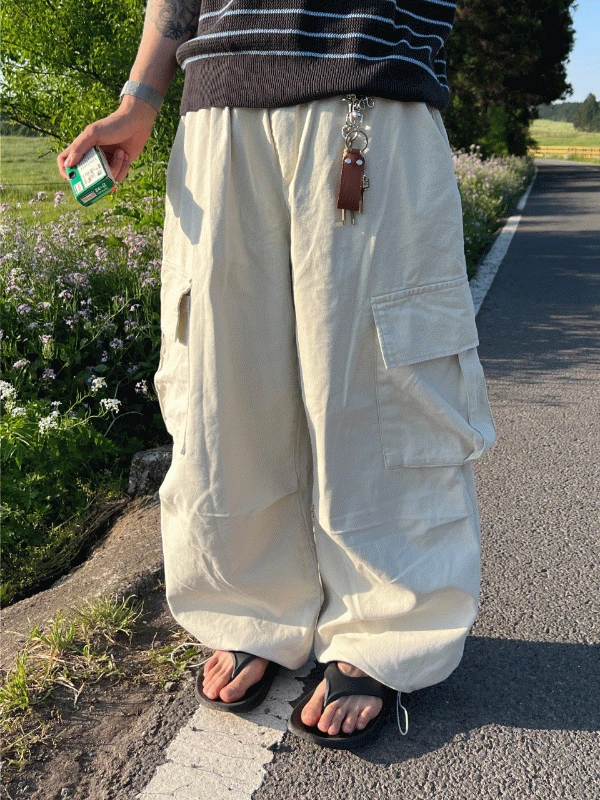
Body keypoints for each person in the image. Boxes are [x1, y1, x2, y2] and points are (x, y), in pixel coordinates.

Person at [58, 0, 497, 750]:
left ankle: (387, 625)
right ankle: (247, 604)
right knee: (220, 382)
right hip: (219, 103)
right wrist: (140, 97)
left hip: (367, 80)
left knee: (382, 381)